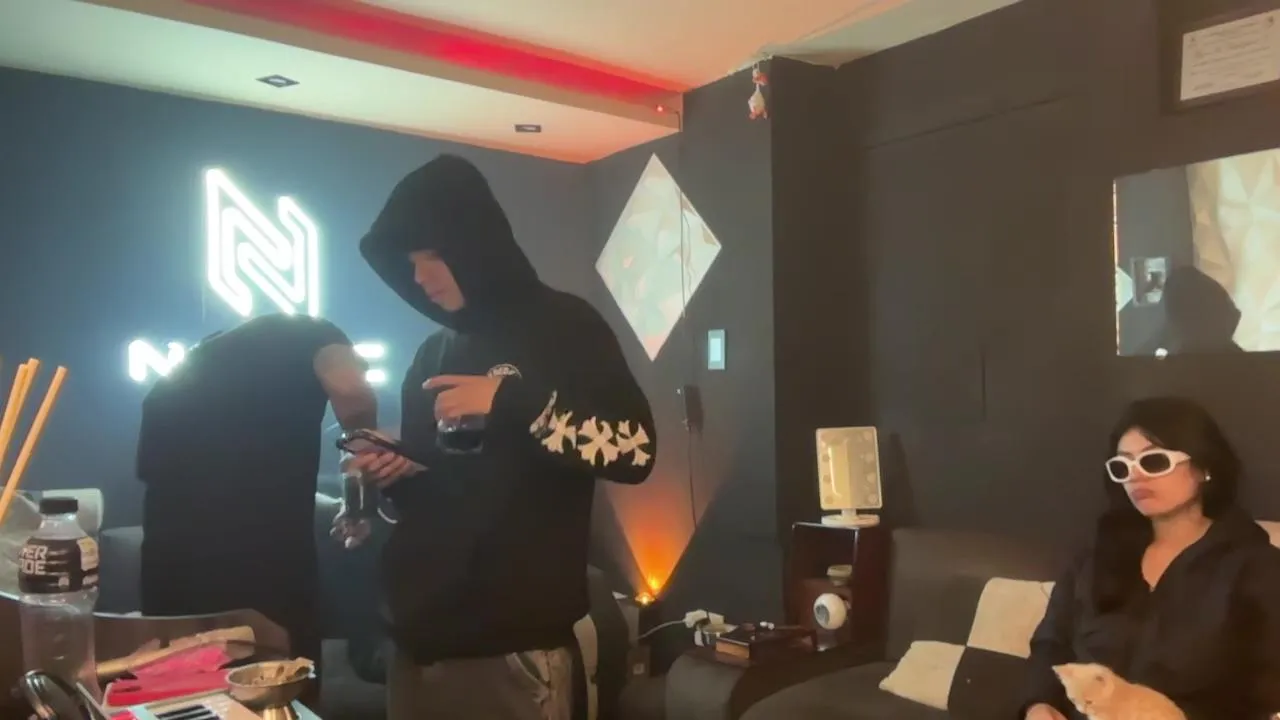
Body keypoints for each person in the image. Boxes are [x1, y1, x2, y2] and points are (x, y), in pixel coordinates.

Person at [347, 153, 656, 720]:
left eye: (433, 255)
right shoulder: (432, 354)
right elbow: (438, 486)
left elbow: (633, 449)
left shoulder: (565, 326)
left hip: (516, 649)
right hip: (417, 640)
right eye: (411, 262)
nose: (420, 277)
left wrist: (510, 400)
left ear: (474, 242)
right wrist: (394, 477)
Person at [136, 313, 378, 699]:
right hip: (259, 559)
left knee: (182, 692)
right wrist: (361, 471)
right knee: (277, 686)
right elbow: (351, 392)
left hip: (168, 565)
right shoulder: (314, 332)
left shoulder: (194, 367)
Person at [1022, 396, 1280, 720]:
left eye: (1154, 461)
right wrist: (1038, 705)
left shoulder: (1256, 567)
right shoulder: (1096, 554)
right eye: (1122, 466)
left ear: (1204, 467)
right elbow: (1051, 645)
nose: (1135, 476)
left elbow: (1264, 692)